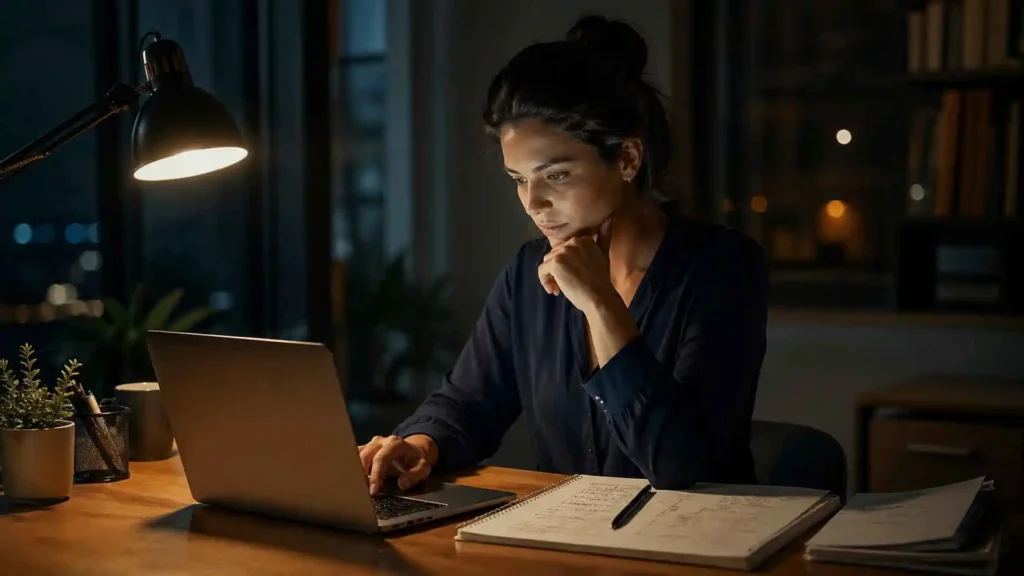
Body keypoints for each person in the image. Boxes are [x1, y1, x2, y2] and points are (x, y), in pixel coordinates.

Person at [358, 15, 767, 495]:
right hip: (567, 546)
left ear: (628, 160)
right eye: (518, 179)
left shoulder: (721, 267)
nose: (533, 203)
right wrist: (422, 444)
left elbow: (680, 466)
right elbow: (468, 401)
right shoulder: (527, 274)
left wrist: (600, 303)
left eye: (556, 175)